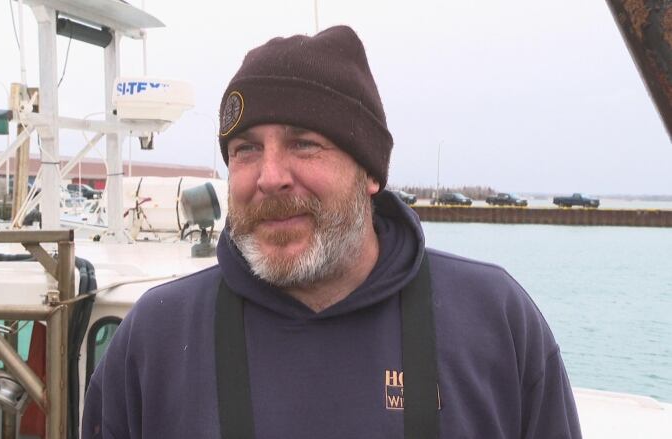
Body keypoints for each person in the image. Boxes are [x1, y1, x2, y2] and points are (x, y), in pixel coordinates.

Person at [82, 25, 581, 439]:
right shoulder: (155, 337)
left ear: (370, 173)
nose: (269, 175)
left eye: (304, 144)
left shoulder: (494, 320)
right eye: (246, 150)